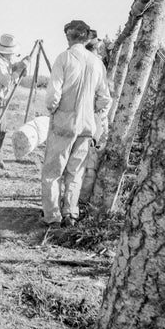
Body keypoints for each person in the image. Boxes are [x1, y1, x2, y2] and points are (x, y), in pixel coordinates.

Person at [40, 20, 112, 228]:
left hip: (64, 122)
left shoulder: (64, 58)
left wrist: (54, 110)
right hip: (87, 125)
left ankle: (52, 216)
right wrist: (94, 113)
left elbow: (53, 94)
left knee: (53, 172)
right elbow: (105, 98)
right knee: (75, 172)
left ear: (68, 37)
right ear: (86, 37)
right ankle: (70, 213)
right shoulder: (96, 62)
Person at [0, 34, 29, 169]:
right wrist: (19, 71)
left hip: (1, 100)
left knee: (1, 131)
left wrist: (19, 65)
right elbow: (7, 81)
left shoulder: (4, 60)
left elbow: (11, 67)